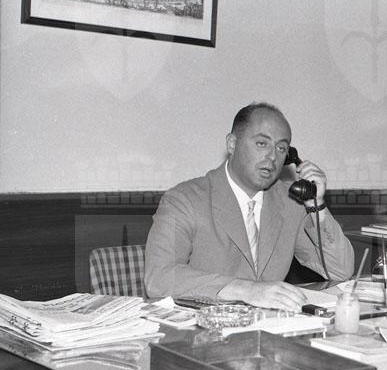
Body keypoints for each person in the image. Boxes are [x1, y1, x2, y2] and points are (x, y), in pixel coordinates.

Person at [144, 102, 355, 312]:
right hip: (205, 325)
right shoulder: (184, 200)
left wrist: (316, 206)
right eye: (262, 144)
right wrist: (246, 290)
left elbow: (340, 270)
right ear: (232, 144)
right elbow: (159, 277)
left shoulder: (290, 202)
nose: (272, 156)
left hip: (271, 325)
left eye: (281, 148)